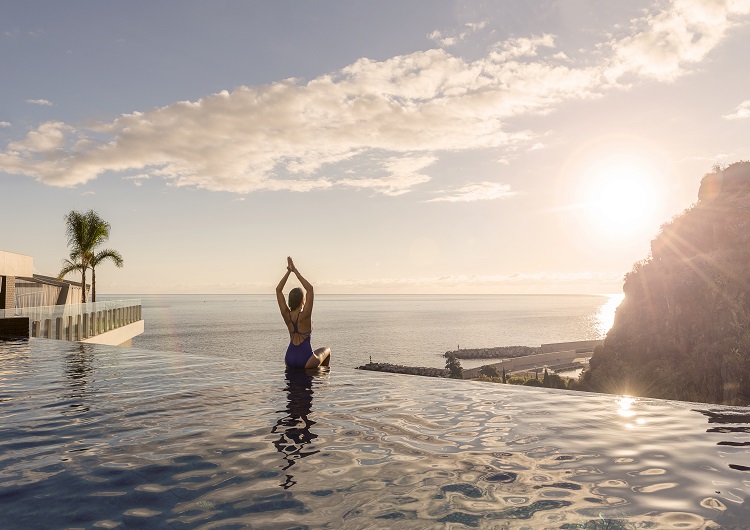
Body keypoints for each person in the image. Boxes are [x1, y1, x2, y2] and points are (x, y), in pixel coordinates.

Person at [276, 257, 331, 369]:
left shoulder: (286, 315)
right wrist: (295, 270)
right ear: (303, 300)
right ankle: (323, 382)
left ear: (290, 301)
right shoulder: (305, 315)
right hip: (306, 360)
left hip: (289, 358)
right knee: (327, 350)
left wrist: (288, 271)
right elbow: (310, 289)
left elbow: (278, 290)